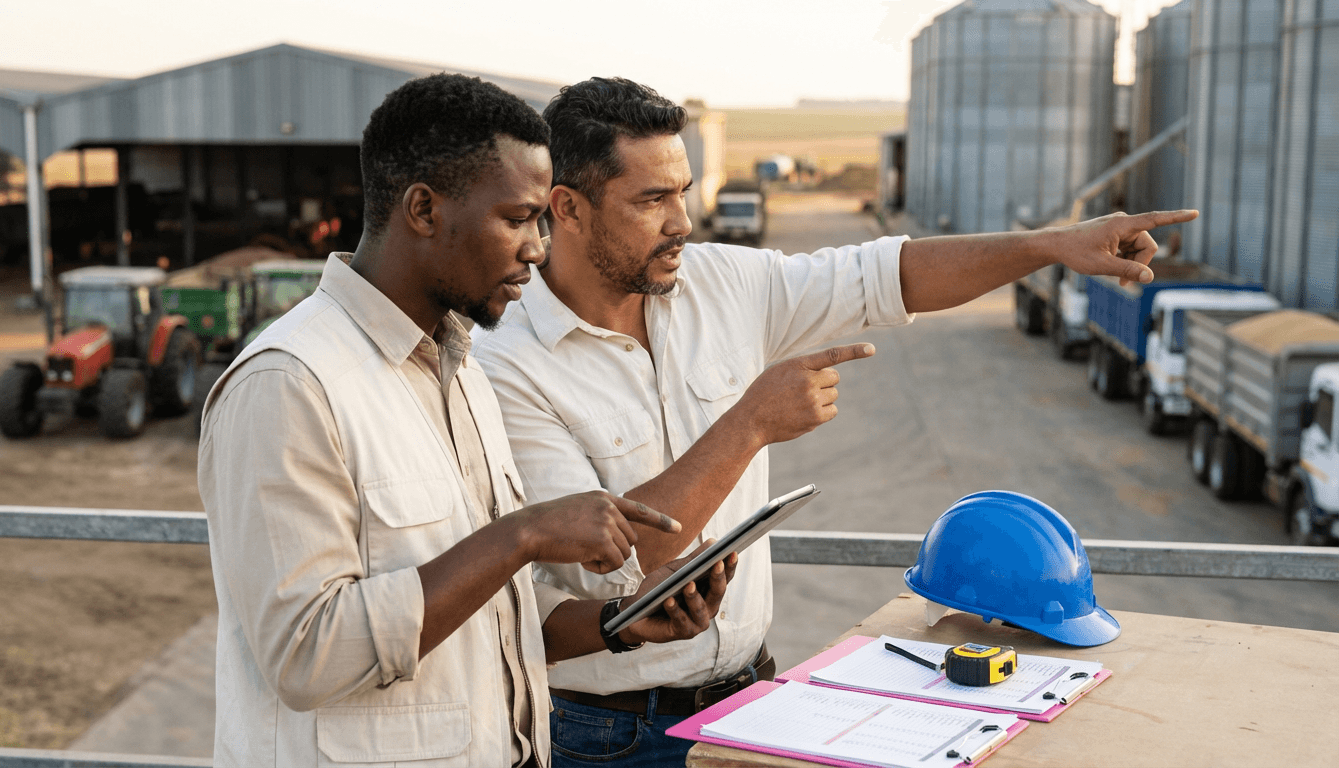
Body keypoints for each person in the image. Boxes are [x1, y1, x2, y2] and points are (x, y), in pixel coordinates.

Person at [470, 76, 1197, 767]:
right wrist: (750, 423)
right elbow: (610, 566)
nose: (682, 222)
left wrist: (1050, 246)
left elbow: (887, 274)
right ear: (566, 208)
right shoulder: (505, 366)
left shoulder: (721, 282)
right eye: (653, 199)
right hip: (613, 735)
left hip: (753, 698)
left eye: (684, 193)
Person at [198, 73, 734, 768]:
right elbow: (307, 654)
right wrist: (525, 534)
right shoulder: (289, 383)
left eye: (543, 220)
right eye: (516, 219)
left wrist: (619, 625)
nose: (538, 248)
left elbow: (482, 610)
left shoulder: (461, 367)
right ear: (424, 208)